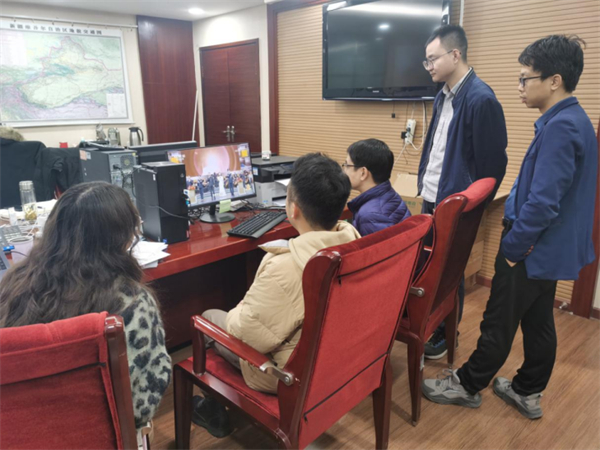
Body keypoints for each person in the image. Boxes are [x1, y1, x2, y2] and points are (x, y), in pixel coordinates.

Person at [422, 35, 597, 420]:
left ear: (554, 81)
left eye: (525, 78)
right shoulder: (573, 120)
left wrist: (515, 248)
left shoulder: (561, 127)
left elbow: (543, 202)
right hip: (547, 249)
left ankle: (467, 384)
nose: (519, 86)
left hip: (531, 247)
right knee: (538, 321)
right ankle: (527, 390)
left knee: (498, 319)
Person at [192, 153, 360, 437]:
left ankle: (212, 410)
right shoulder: (352, 241)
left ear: (293, 209)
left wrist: (242, 306)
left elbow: (245, 334)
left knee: (208, 317)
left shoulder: (288, 267)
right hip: (336, 362)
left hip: (288, 375)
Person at [0, 182, 172, 430]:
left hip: (20, 431)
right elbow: (141, 406)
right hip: (99, 432)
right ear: (124, 237)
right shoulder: (132, 303)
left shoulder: (14, 284)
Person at [418, 25, 508, 359]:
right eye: (426, 60)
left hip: (456, 205)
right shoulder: (443, 94)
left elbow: (493, 166)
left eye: (433, 59)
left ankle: (446, 332)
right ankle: (432, 323)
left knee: (449, 271)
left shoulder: (481, 99)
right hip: (433, 196)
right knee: (430, 266)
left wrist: (471, 206)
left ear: (455, 55)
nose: (428, 66)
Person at [344, 138, 411, 236]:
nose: (344, 170)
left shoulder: (370, 216)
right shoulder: (389, 194)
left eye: (347, 165)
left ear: (363, 173)